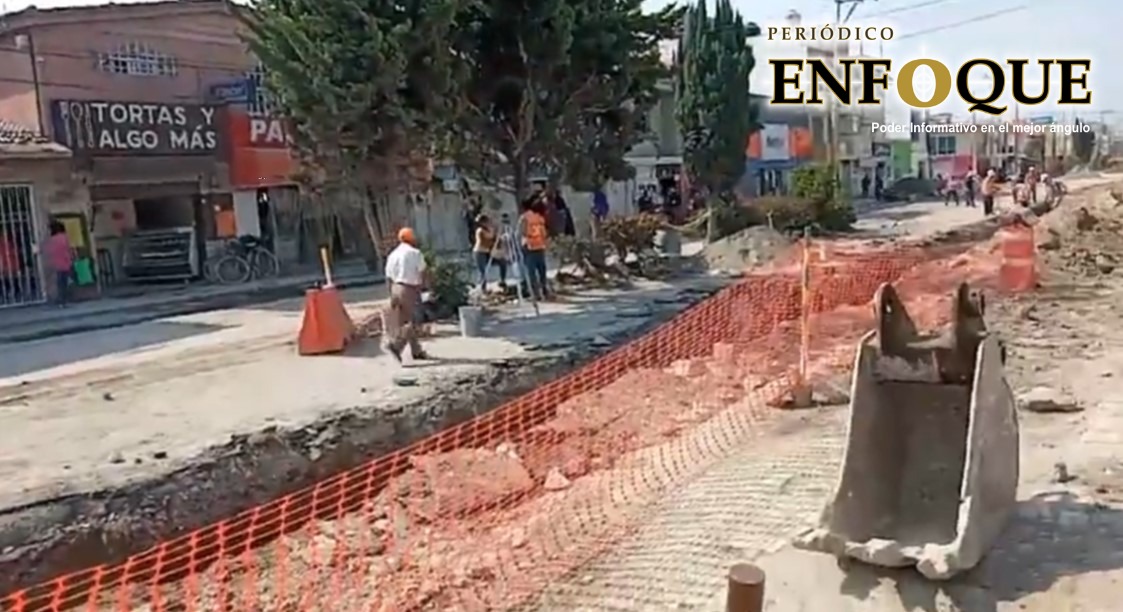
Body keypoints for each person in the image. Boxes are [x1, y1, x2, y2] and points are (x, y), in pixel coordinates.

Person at [383, 227, 430, 362]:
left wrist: (391, 295)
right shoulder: (415, 253)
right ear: (411, 238)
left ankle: (417, 351)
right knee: (415, 322)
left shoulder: (393, 254)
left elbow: (388, 276)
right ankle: (396, 346)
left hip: (396, 288)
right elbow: (423, 272)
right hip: (409, 289)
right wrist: (426, 288)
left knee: (405, 322)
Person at [518, 196, 550, 300]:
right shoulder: (540, 218)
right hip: (540, 245)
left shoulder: (525, 217)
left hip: (529, 246)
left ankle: (535, 294)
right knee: (542, 270)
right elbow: (544, 233)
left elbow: (521, 232)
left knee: (531, 272)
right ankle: (544, 290)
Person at [473, 214, 507, 291]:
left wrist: (499, 241)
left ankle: (502, 281)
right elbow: (484, 242)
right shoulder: (480, 231)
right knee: (483, 271)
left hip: (490, 252)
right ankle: (483, 288)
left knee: (503, 262)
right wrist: (493, 245)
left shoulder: (491, 229)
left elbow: (497, 240)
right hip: (480, 252)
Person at [43, 221, 73, 307]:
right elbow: (68, 250)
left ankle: (60, 301)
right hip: (65, 263)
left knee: (59, 284)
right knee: (65, 283)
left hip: (56, 264)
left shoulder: (51, 239)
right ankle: (64, 300)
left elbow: (48, 250)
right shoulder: (64, 237)